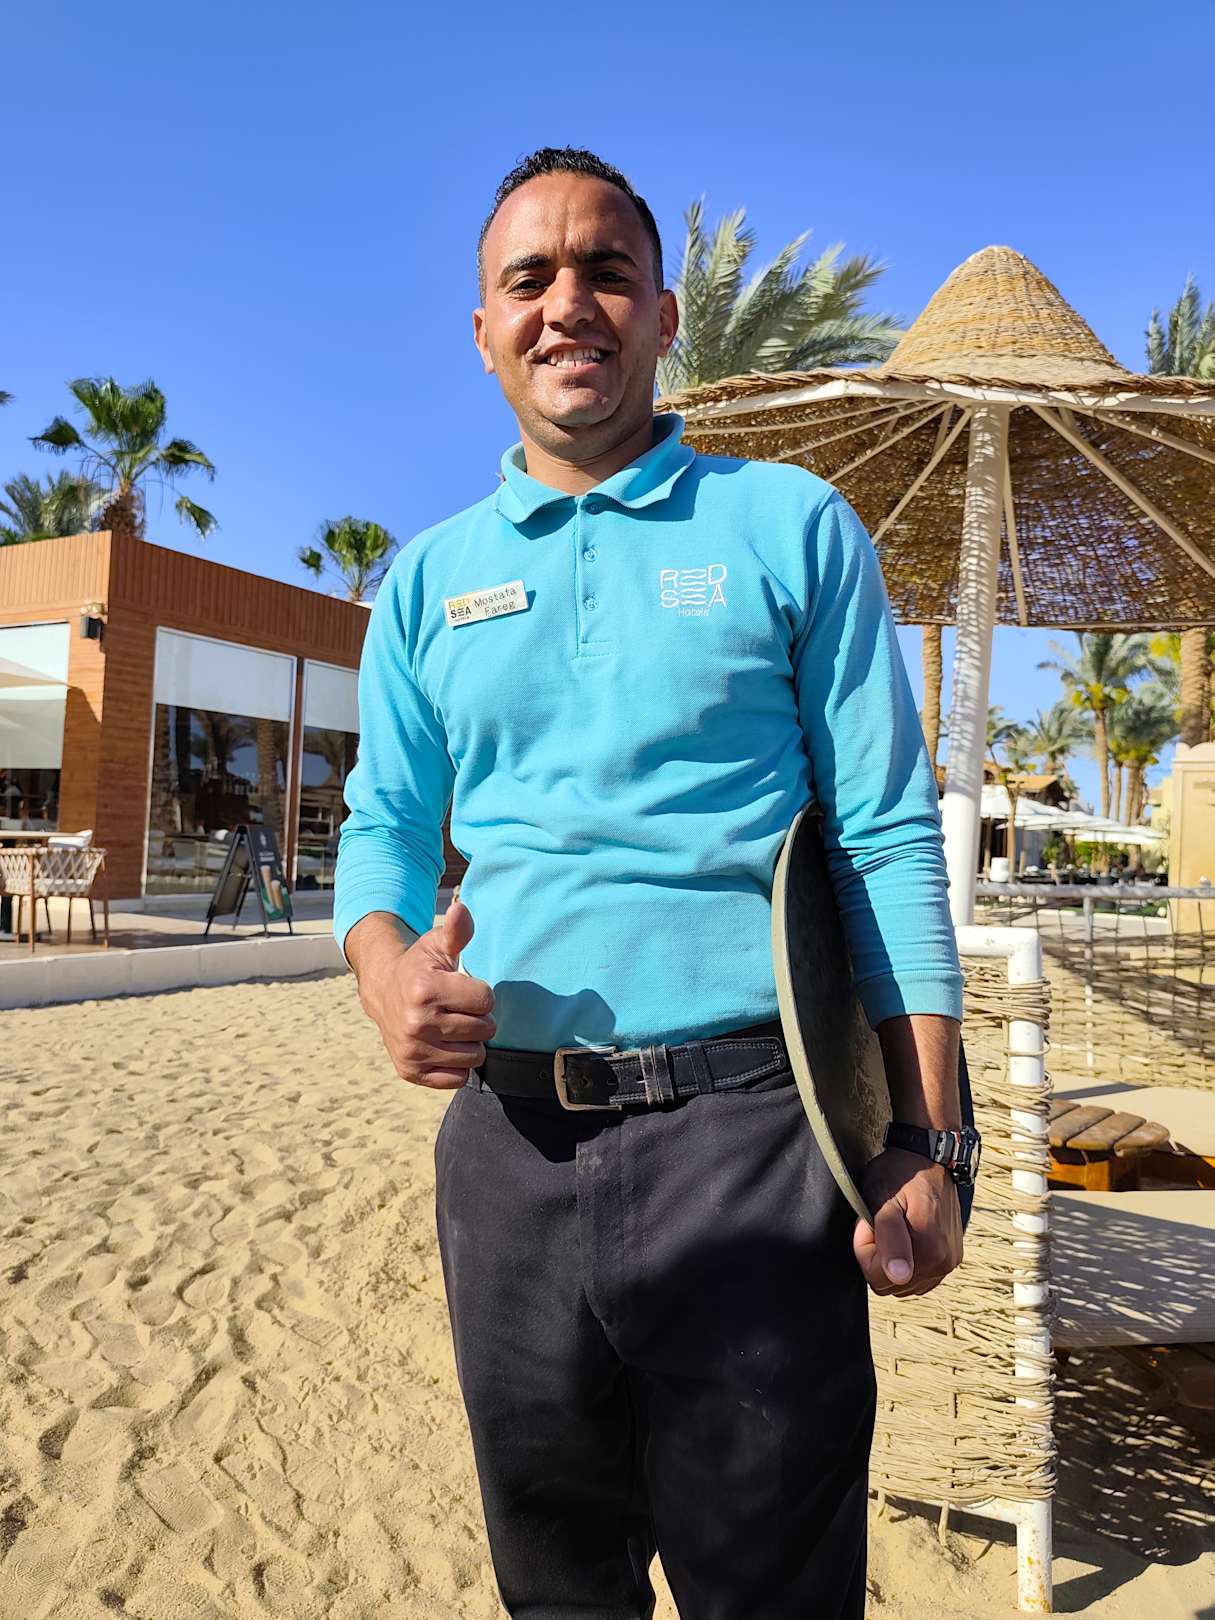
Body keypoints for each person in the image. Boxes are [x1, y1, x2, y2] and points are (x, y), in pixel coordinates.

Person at [336, 147, 967, 1620]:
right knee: (557, 1584)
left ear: (665, 313)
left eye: (606, 271)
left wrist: (934, 1138)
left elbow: (882, 834)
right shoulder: (424, 582)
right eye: (530, 279)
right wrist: (383, 973)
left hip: (755, 1144)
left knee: (774, 1591)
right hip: (509, 1155)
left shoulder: (789, 527)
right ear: (484, 331)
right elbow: (383, 828)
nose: (570, 302)